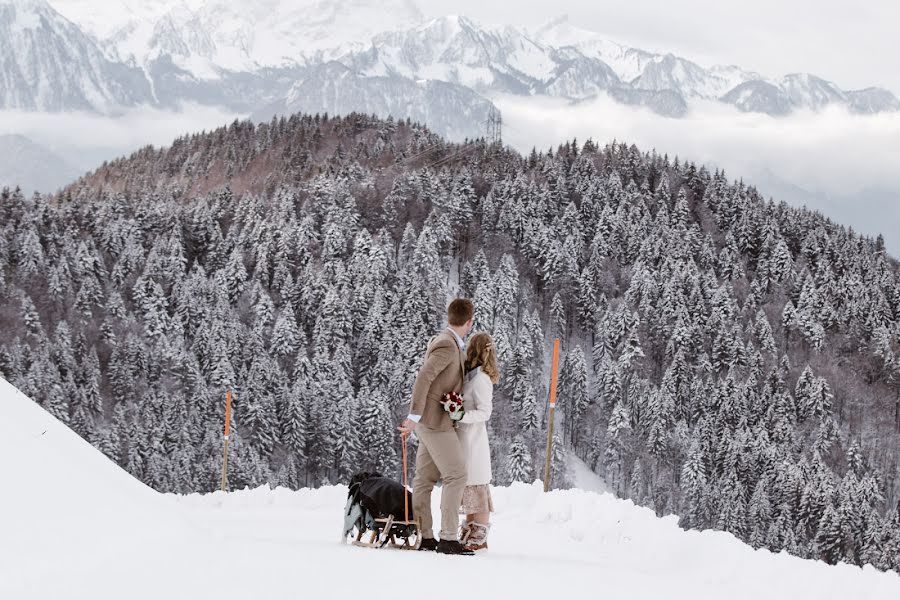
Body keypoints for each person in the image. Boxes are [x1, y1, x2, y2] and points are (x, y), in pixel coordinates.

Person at [397, 298, 475, 555]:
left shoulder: (451, 343)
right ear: (469, 322)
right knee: (457, 475)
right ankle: (449, 538)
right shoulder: (447, 345)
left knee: (425, 479)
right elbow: (424, 377)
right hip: (434, 423)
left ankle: (425, 535)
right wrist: (414, 416)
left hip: (431, 422)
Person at [456, 332, 498, 552]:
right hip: (463, 439)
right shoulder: (470, 375)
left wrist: (461, 416)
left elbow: (484, 412)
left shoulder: (481, 379)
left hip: (474, 440)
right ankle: (470, 530)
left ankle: (479, 534)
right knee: (469, 486)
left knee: (476, 486)